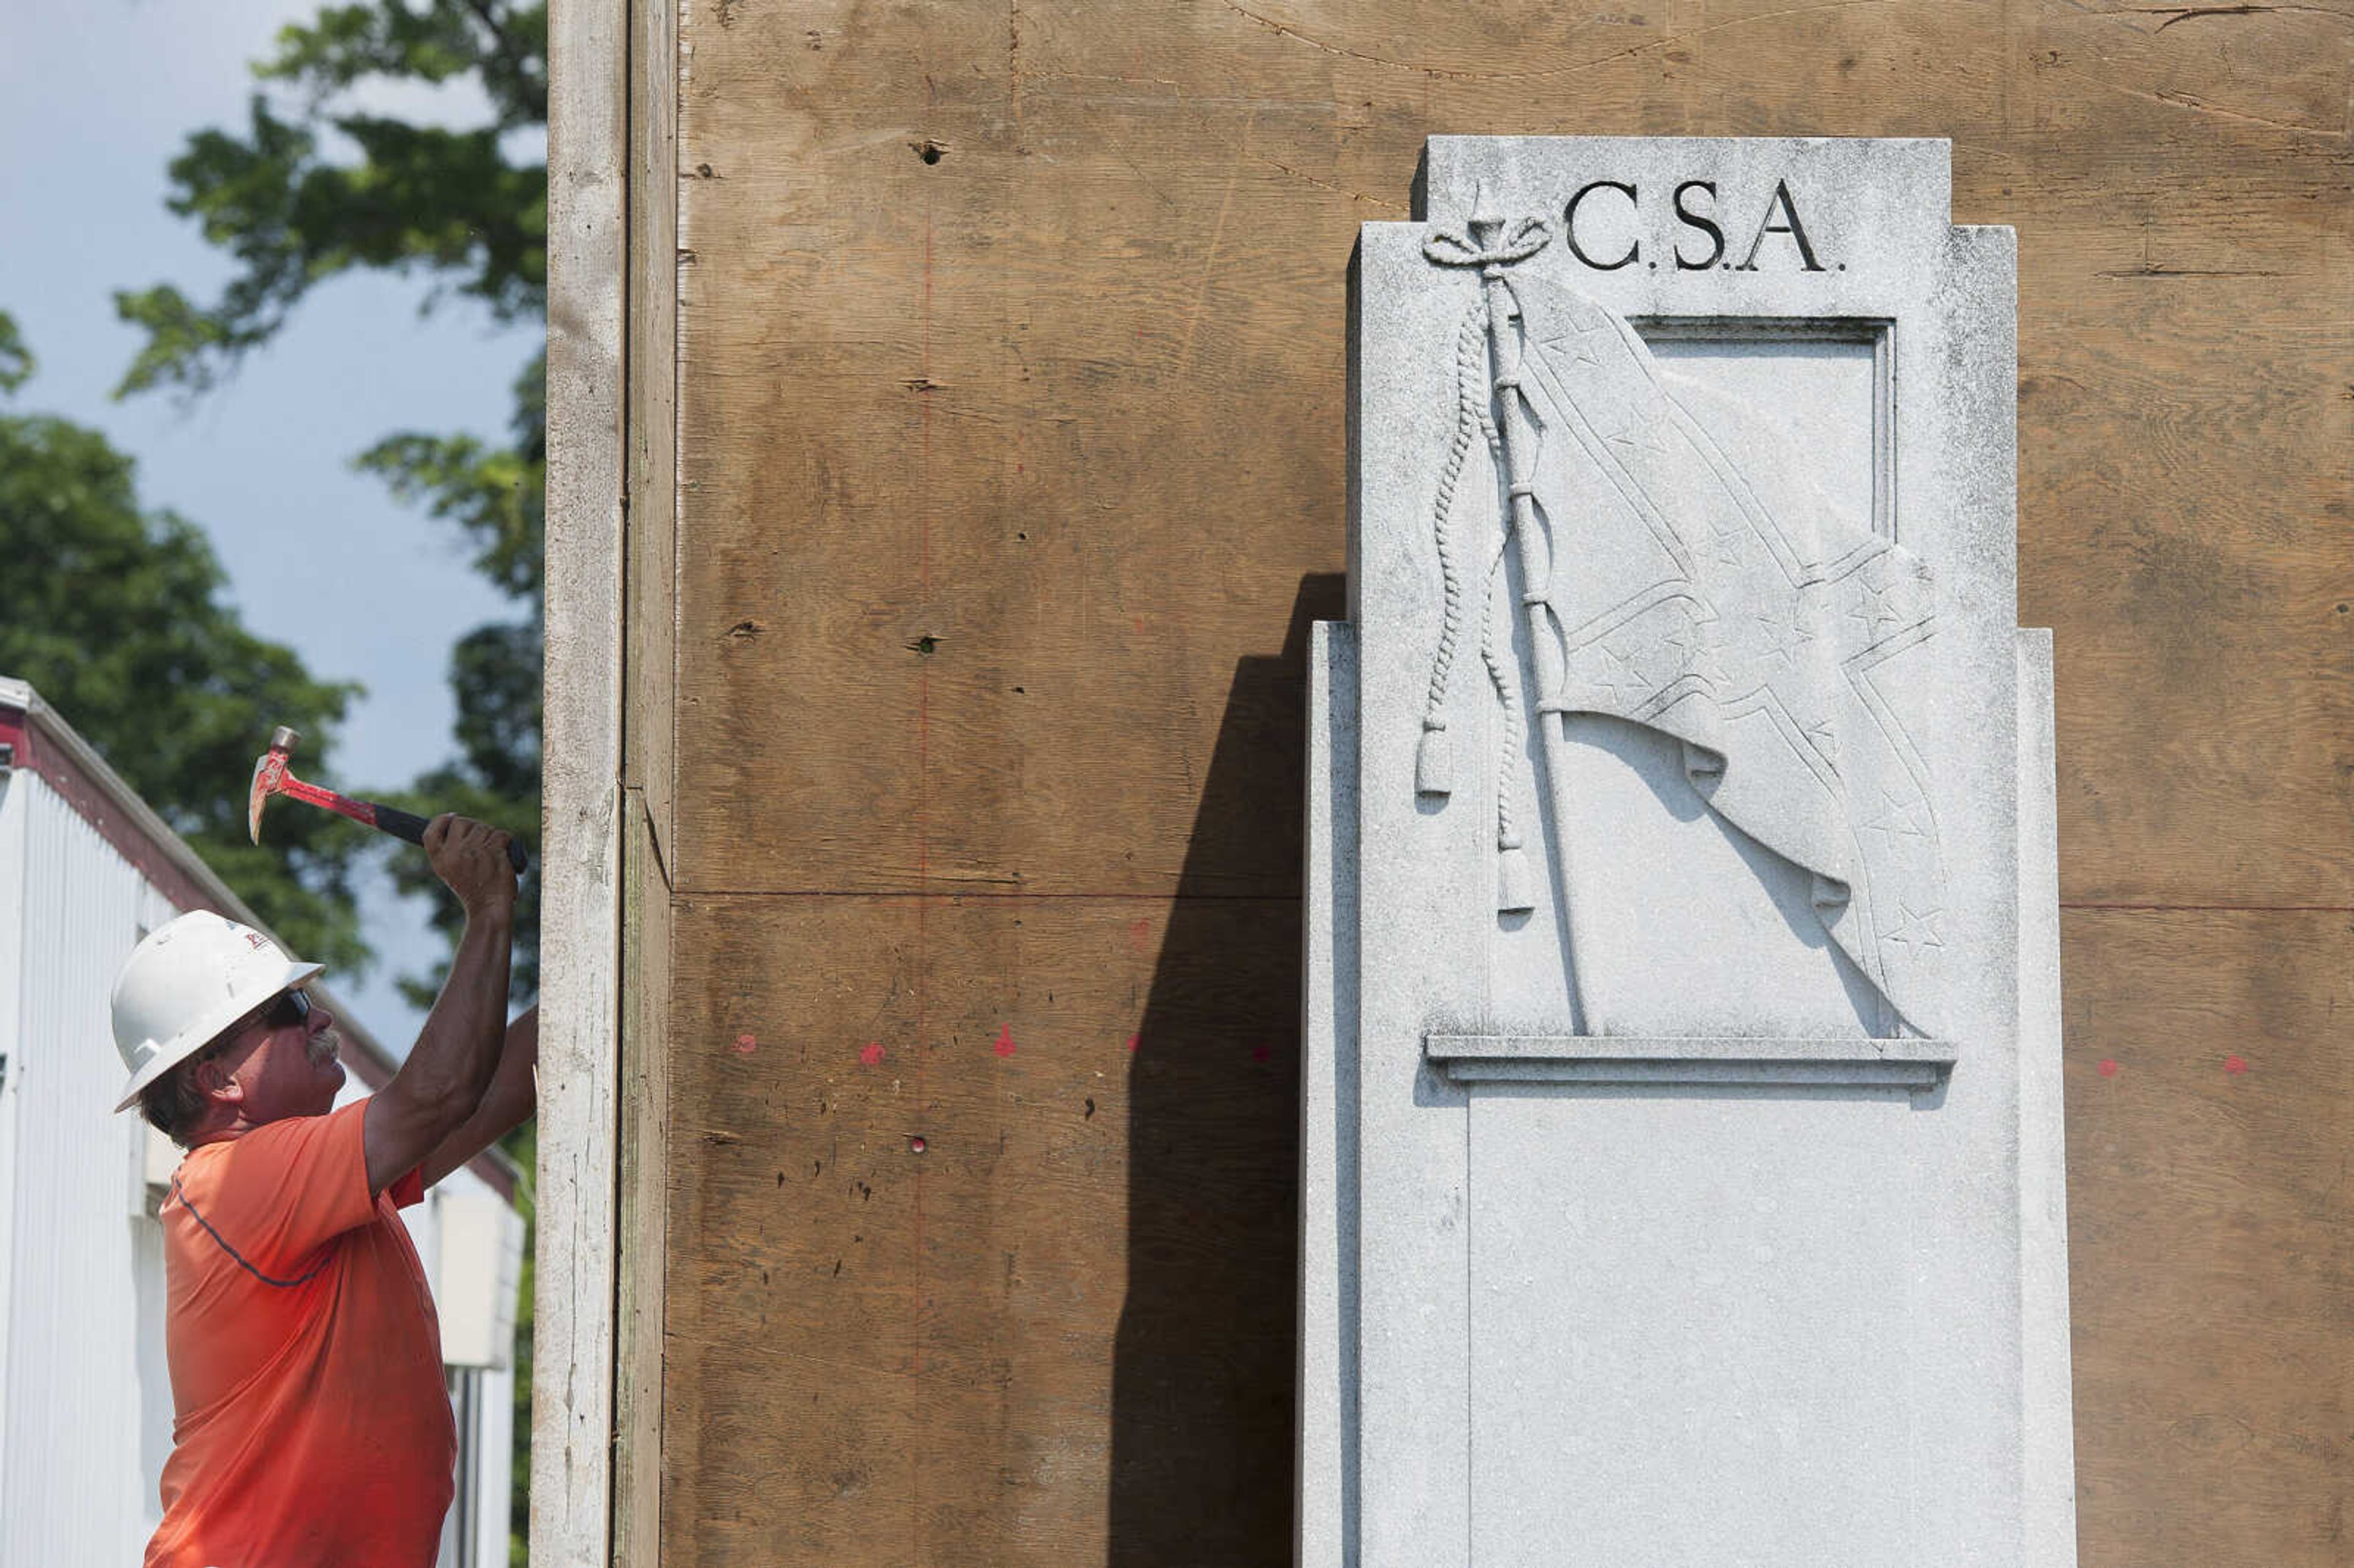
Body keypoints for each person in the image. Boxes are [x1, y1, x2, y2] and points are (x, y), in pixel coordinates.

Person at [109, 815, 536, 1568]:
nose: (323, 1017)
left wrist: (594, 938)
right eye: (290, 1010)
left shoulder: (313, 1188)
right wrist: (488, 909)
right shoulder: (237, 1180)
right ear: (217, 1078)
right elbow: (440, 1093)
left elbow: (487, 1091)